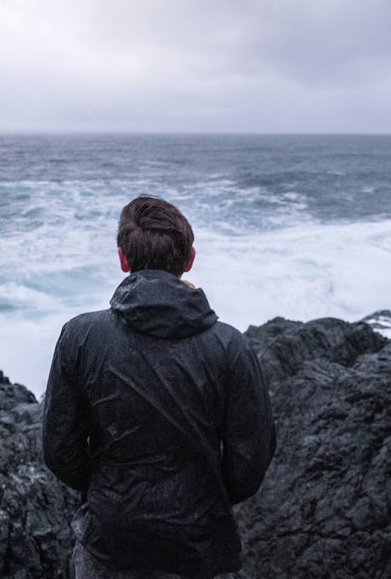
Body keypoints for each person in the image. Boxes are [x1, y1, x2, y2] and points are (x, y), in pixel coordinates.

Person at [42, 195, 276, 579]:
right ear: (189, 259)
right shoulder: (230, 346)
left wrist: (107, 491)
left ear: (123, 260)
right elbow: (250, 462)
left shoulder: (80, 337)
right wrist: (205, 499)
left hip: (110, 541)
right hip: (199, 546)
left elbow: (58, 448)